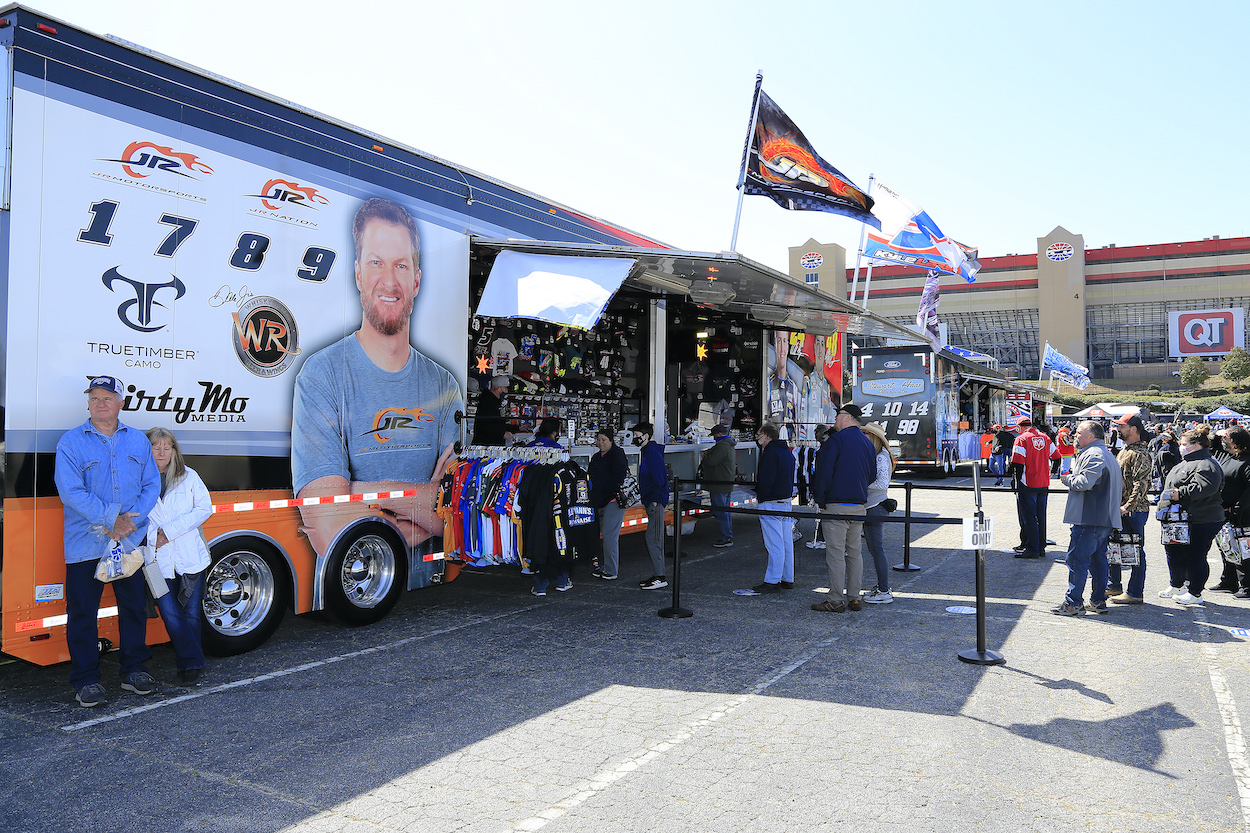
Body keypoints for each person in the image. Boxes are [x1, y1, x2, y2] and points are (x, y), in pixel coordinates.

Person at [292, 197, 462, 559]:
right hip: (358, 591)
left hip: (435, 592)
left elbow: (457, 513)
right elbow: (328, 523)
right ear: (358, 274)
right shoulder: (322, 376)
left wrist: (363, 489)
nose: (389, 280)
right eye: (376, 263)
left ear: (416, 281)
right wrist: (420, 502)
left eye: (401, 265)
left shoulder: (445, 387)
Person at [54, 375, 161, 707]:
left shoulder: (138, 442)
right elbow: (70, 492)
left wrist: (131, 521)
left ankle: (134, 670)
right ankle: (86, 680)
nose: (100, 403)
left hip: (128, 542)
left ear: (121, 403)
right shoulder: (70, 443)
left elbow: (151, 485)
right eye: (95, 398)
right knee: (83, 613)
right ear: (88, 404)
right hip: (87, 542)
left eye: (107, 397)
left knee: (133, 608)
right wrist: (110, 518)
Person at [145, 427, 212, 685]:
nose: (161, 452)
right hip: (153, 563)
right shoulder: (139, 481)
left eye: (167, 447)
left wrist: (168, 533)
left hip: (190, 558)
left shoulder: (189, 477)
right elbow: (134, 518)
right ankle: (193, 659)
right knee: (170, 613)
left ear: (174, 450)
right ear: (147, 449)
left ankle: (189, 665)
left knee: (191, 613)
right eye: (155, 446)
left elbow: (204, 509)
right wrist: (154, 538)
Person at [809, 404, 876, 613]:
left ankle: (836, 599)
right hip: (858, 505)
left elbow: (823, 473)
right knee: (855, 553)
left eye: (838, 415)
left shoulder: (835, 441)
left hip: (836, 505)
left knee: (836, 554)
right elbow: (872, 475)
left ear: (846, 418)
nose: (835, 420)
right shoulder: (867, 443)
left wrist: (820, 500)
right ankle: (855, 597)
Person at [1052, 421, 1123, 616]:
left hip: (1090, 518)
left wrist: (1067, 479)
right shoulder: (1106, 454)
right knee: (1098, 561)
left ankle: (1073, 603)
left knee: (1077, 560)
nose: (1075, 435)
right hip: (1102, 518)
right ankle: (1097, 601)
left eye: (1079, 433)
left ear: (1091, 437)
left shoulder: (1094, 455)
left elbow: (1084, 482)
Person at [1158, 425, 1225, 607]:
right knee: (1174, 552)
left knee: (1195, 555)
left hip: (1202, 518)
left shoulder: (1207, 463)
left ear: (1195, 445)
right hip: (1178, 519)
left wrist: (1180, 493)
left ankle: (1195, 592)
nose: (1180, 446)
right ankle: (1177, 585)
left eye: (1184, 443)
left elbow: (1206, 487)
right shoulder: (1185, 462)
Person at [1107, 414, 1153, 604]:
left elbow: (1141, 484)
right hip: (1123, 509)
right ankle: (1114, 585)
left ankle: (1134, 592)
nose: (1118, 429)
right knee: (1116, 547)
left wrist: (1127, 506)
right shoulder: (1126, 450)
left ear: (1133, 429)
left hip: (1132, 511)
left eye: (1121, 426)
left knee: (1135, 552)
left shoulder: (1140, 453)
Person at [753, 422, 796, 593]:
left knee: (773, 543)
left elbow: (766, 480)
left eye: (759, 434)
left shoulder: (770, 453)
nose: (758, 438)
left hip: (771, 501)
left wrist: (761, 496)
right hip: (785, 501)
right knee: (786, 542)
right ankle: (787, 577)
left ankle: (772, 580)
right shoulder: (786, 452)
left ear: (766, 435)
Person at [1210, 426, 1250, 597]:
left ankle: (1247, 586)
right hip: (1224, 513)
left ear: (1236, 442)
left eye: (1227, 438)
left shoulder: (1247, 462)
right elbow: (1211, 442)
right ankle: (1229, 581)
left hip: (1242, 514)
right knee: (1226, 546)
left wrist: (1237, 507)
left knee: (1243, 550)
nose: (1224, 440)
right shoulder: (1228, 456)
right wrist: (1217, 434)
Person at [1011, 415, 1057, 559]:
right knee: (1041, 516)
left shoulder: (1021, 439)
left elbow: (1017, 464)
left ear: (1020, 427)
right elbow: (1057, 457)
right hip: (1043, 482)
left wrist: (1015, 481)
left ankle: (1032, 548)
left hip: (1028, 482)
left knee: (1029, 517)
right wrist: (1052, 473)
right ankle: (1041, 547)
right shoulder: (1045, 437)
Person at [860, 422, 896, 605]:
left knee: (877, 549)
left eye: (866, 433)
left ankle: (884, 589)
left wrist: (859, 483)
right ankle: (883, 588)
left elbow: (882, 484)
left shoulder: (881, 457)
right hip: (872, 506)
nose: (863, 436)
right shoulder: (878, 455)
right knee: (875, 549)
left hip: (875, 506)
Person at [589, 428, 628, 581]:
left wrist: (608, 490)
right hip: (598, 501)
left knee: (609, 535)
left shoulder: (617, 454)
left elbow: (619, 475)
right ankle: (603, 566)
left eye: (604, 439)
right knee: (600, 534)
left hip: (613, 500)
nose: (600, 442)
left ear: (611, 440)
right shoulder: (596, 457)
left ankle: (611, 570)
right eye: (598, 439)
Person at [634, 421, 669, 590]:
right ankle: (658, 574)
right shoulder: (649, 450)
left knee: (654, 538)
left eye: (637, 435)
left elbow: (659, 476)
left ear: (645, 436)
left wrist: (655, 498)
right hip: (653, 499)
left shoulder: (651, 452)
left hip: (654, 500)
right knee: (655, 537)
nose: (635, 438)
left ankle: (660, 576)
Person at [702, 423, 736, 547]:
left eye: (715, 435)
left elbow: (711, 461)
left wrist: (704, 457)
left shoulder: (722, 446)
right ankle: (727, 535)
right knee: (725, 511)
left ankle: (726, 537)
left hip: (718, 483)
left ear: (719, 434)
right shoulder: (728, 444)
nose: (714, 438)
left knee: (720, 511)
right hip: (726, 482)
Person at [470, 375, 515, 446]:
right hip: (485, 447)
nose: (506, 391)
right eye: (505, 388)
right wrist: (502, 433)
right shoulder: (487, 403)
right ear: (497, 388)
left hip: (493, 446)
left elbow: (499, 425)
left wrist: (518, 428)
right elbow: (484, 426)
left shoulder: (495, 403)